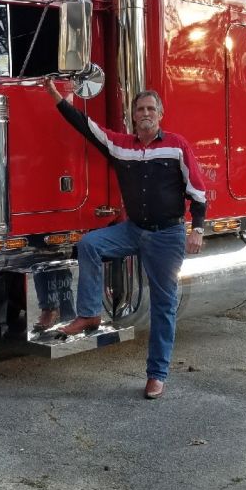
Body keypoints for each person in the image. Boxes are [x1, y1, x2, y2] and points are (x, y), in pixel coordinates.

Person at [45, 79, 207, 399]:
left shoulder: (176, 145)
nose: (145, 113)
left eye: (150, 109)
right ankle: (90, 313)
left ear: (160, 114)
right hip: (133, 230)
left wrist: (198, 229)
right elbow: (85, 125)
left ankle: (156, 375)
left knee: (163, 305)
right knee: (89, 244)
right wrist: (56, 97)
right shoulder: (120, 145)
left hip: (167, 235)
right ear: (133, 116)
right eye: (140, 109)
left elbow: (197, 190)